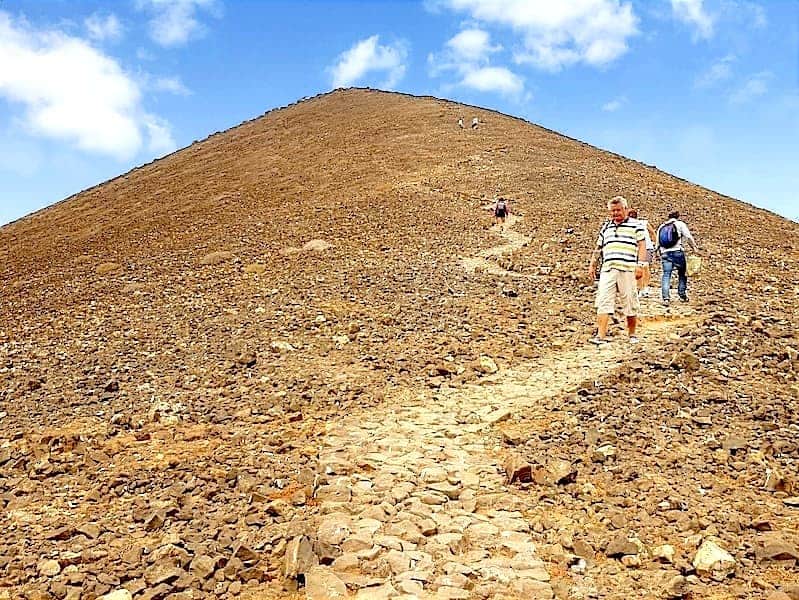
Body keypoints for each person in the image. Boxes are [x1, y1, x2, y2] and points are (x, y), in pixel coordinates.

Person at [588, 196, 648, 345]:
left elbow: (642, 245)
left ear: (625, 209)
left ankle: (632, 334)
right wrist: (592, 265)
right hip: (608, 269)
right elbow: (598, 248)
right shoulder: (606, 227)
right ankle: (600, 336)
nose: (615, 213)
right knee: (603, 301)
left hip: (627, 269)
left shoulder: (636, 225)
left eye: (618, 210)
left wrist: (640, 265)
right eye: (613, 211)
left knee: (629, 301)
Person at [655, 211, 699, 306]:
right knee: (682, 274)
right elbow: (688, 236)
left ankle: (666, 298)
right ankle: (682, 295)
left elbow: (657, 243)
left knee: (666, 275)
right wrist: (694, 247)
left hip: (665, 253)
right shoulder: (680, 224)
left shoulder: (661, 227)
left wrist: (658, 253)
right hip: (677, 252)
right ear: (677, 217)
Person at [627, 209, 656, 297]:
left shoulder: (628, 225)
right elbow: (653, 233)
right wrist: (655, 244)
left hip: (636, 249)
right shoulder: (644, 223)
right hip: (647, 247)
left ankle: (641, 288)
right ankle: (645, 288)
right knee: (645, 267)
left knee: (639, 268)